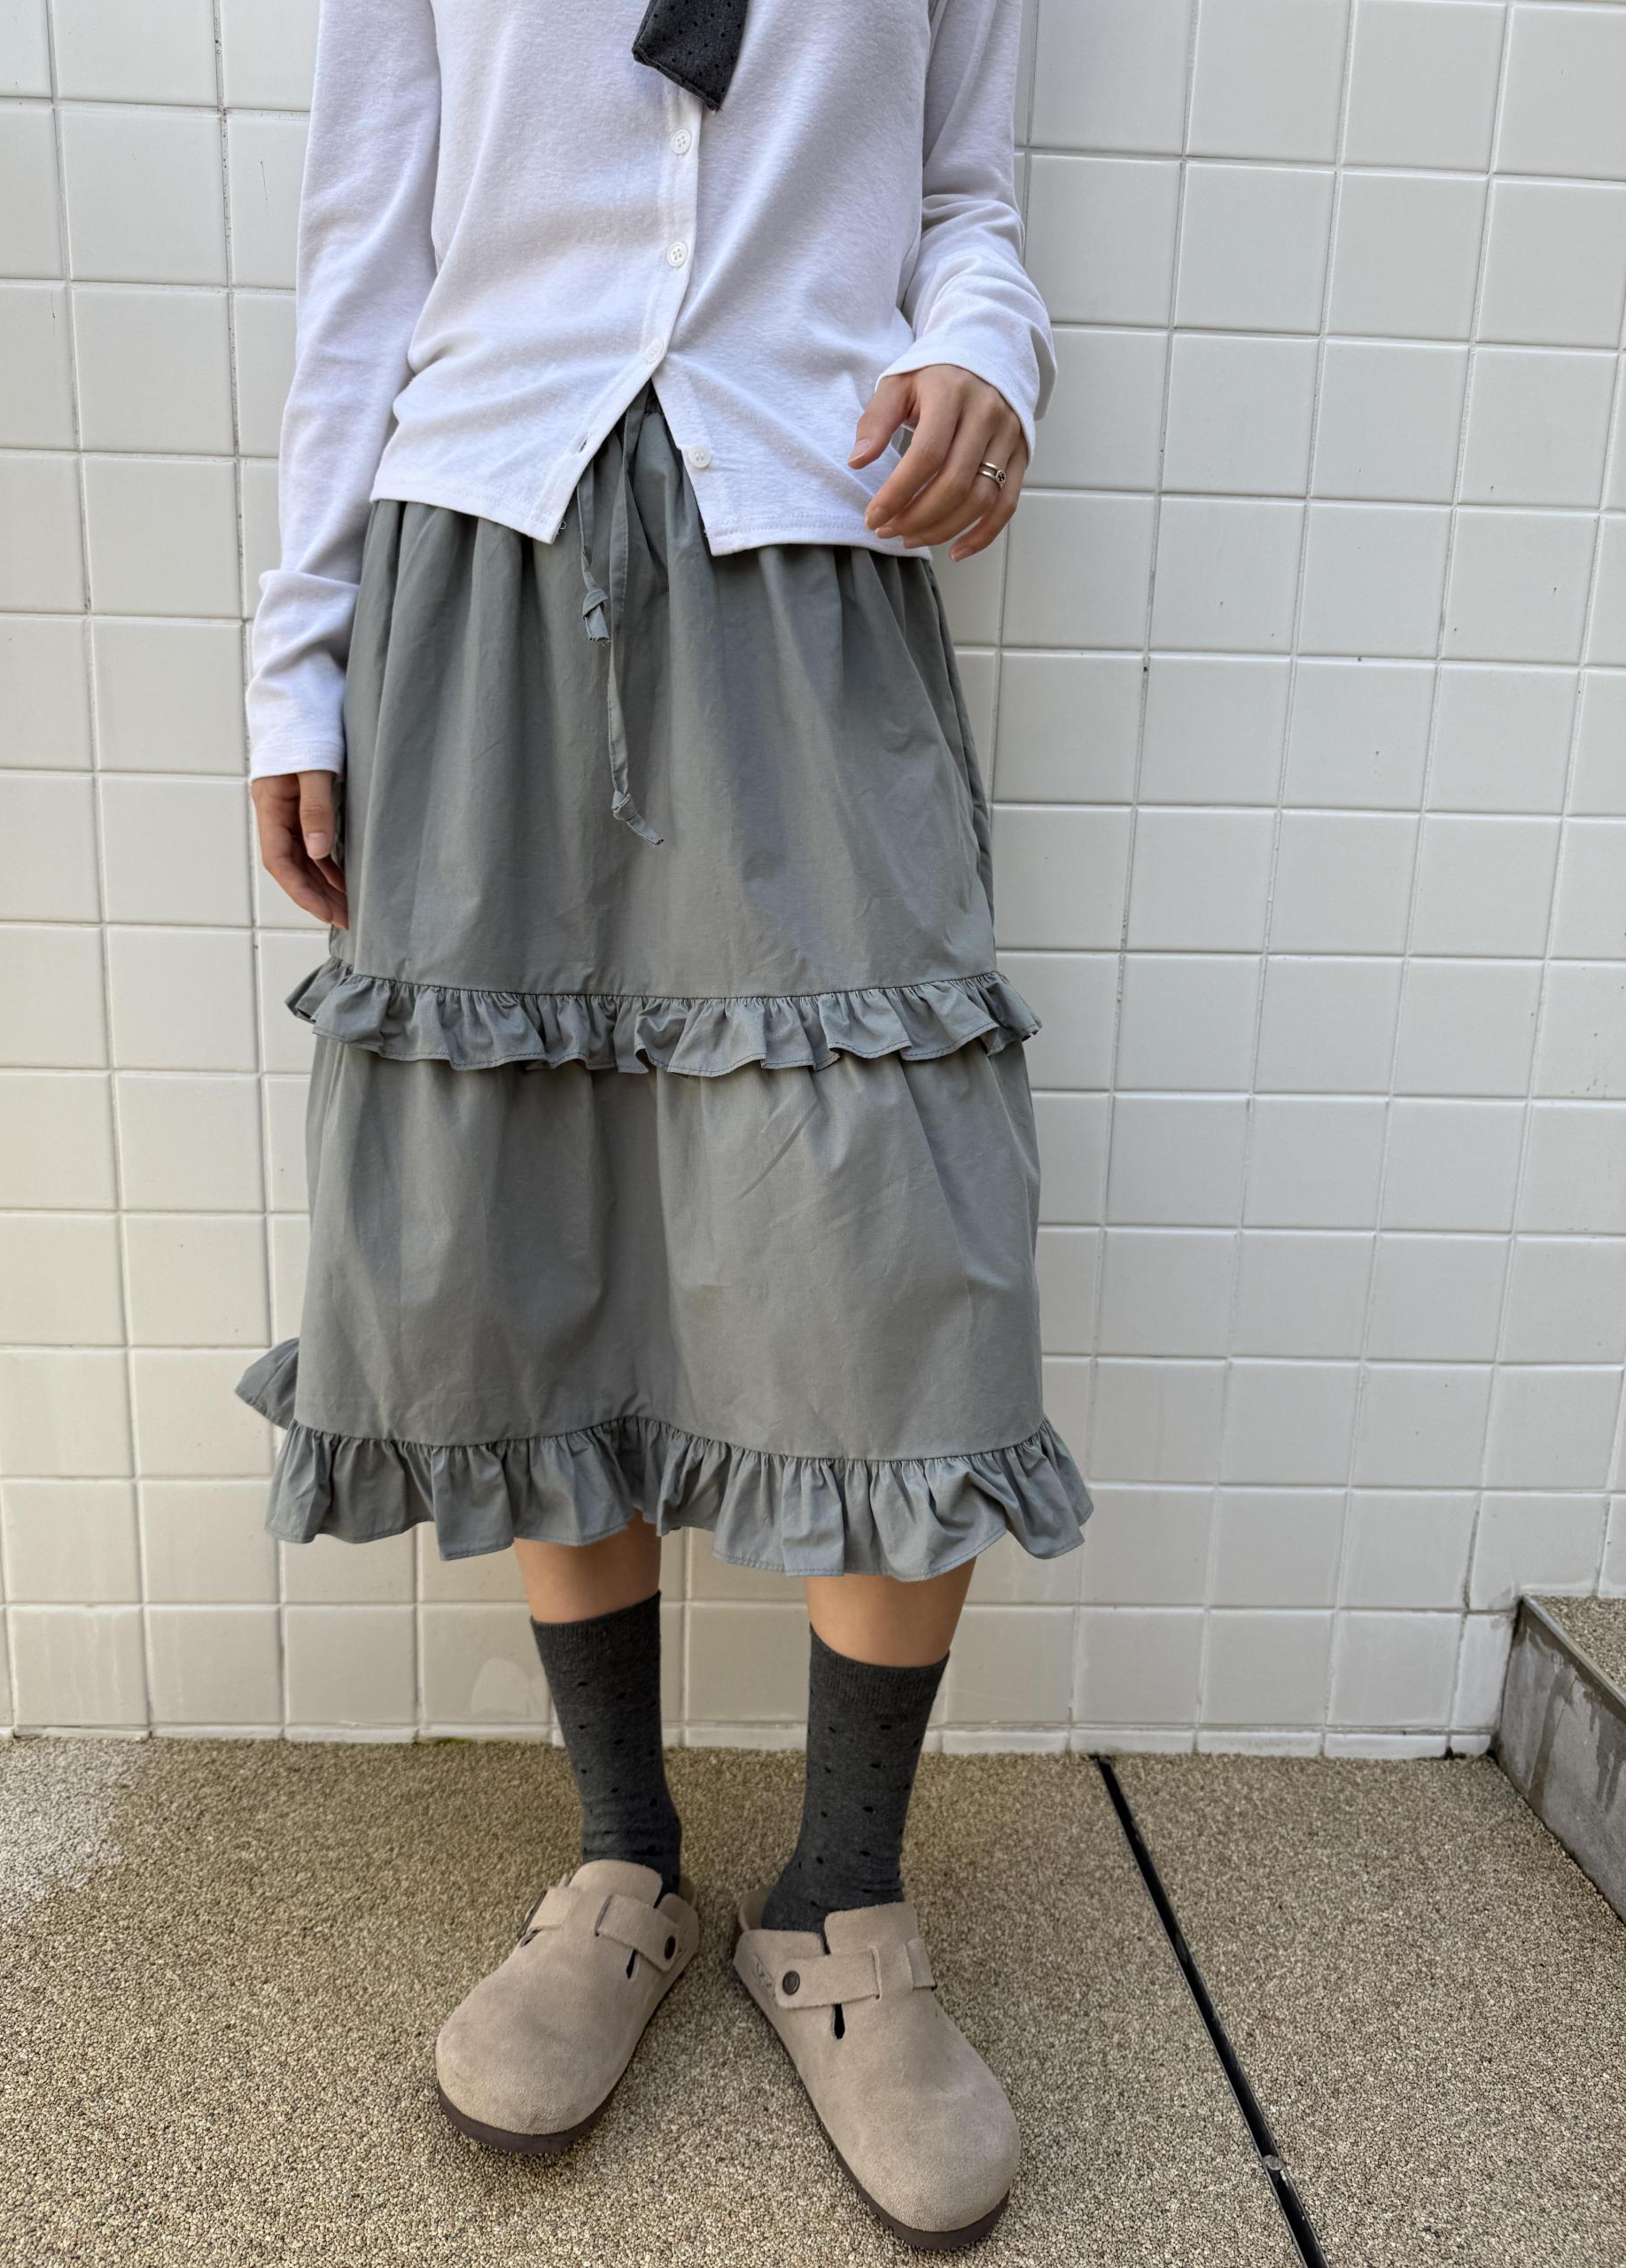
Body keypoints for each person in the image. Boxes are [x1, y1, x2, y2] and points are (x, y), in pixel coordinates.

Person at [238, 0, 1092, 2246]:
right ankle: (624, 1855)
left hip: (811, 551)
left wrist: (986, 353)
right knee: (545, 1214)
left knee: (899, 1238)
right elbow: (367, 247)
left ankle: (843, 1895)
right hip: (483, 559)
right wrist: (296, 659)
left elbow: (966, 197)